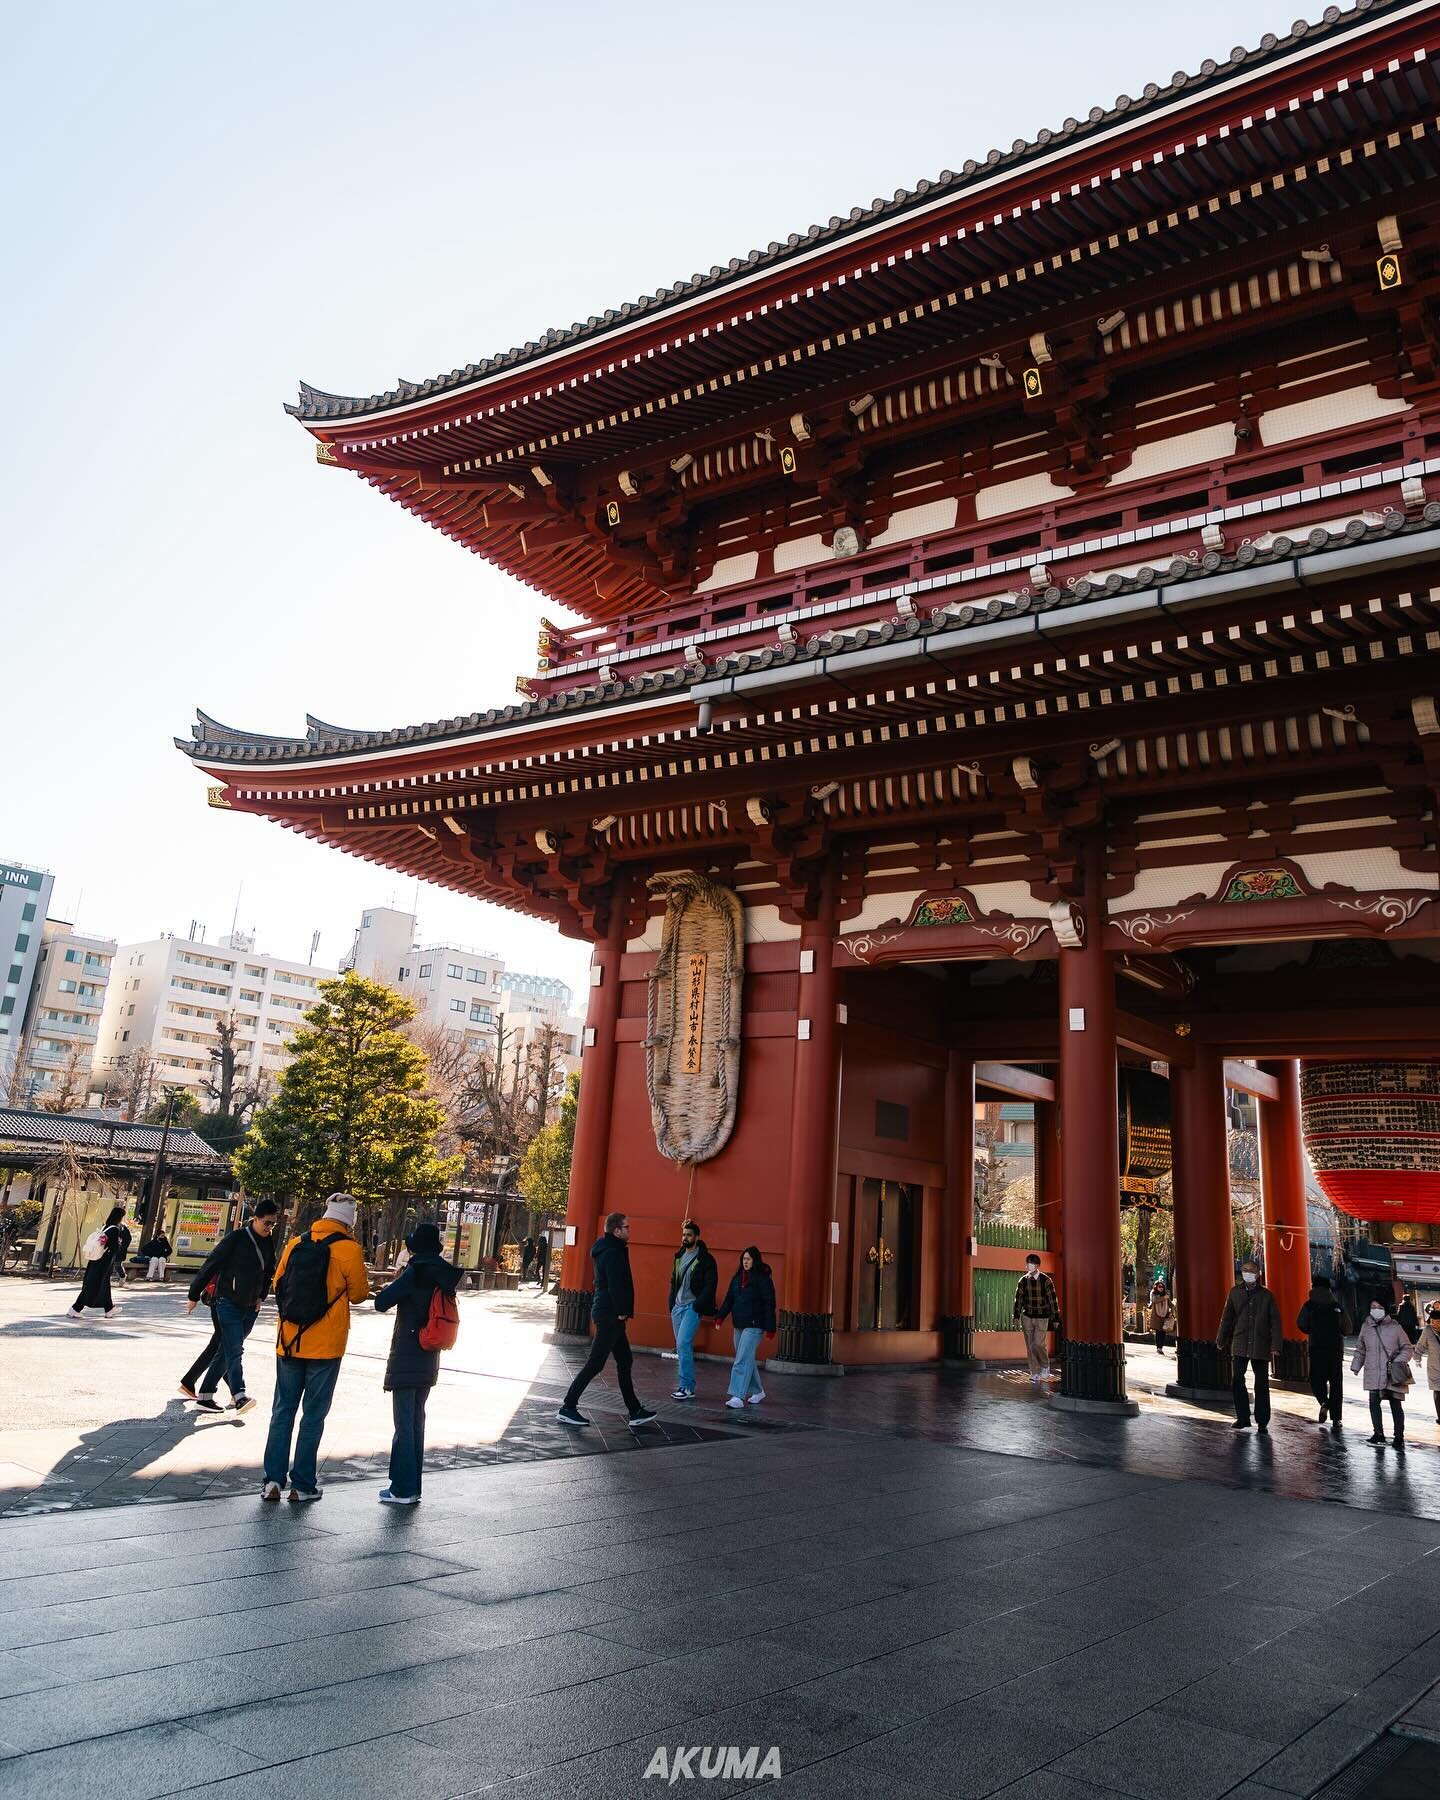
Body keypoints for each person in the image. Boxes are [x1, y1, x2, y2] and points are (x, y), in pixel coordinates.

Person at [260, 1193, 371, 1502]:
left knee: (282, 1410)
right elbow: (360, 1294)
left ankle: (272, 1481)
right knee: (313, 1415)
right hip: (326, 1343)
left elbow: (277, 1284)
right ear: (350, 1220)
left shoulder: (295, 1243)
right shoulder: (349, 1249)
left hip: (289, 1341)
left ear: (325, 1213)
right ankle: (302, 1484)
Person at [373, 1221, 460, 1505]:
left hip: (408, 1353)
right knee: (417, 1420)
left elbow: (382, 1302)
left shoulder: (415, 1272)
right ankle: (413, 1485)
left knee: (404, 1423)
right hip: (429, 1354)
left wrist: (396, 1280)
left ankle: (402, 1488)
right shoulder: (442, 1274)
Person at [556, 1211, 658, 1429]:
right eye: (627, 1227)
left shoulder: (610, 1248)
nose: (630, 1230)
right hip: (610, 1314)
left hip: (610, 1313)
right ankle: (568, 1406)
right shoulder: (612, 1252)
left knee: (625, 1360)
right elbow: (615, 1284)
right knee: (596, 1363)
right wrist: (622, 1311)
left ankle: (635, 1411)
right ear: (617, 1230)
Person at [182, 1200, 280, 1414]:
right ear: (255, 1219)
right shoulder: (236, 1238)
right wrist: (193, 1294)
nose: (269, 1227)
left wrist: (261, 1296)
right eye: (266, 1222)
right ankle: (239, 1396)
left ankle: (205, 1396)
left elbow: (268, 1270)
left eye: (273, 1224)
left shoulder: (268, 1240)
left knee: (226, 1350)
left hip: (251, 1305)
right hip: (227, 1301)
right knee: (235, 1349)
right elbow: (211, 1264)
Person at [1217, 1259, 1282, 1433]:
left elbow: (1275, 1322)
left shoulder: (1267, 1296)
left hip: (1261, 1344)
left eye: (1251, 1270)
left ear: (1258, 1273)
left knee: (1261, 1383)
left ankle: (1262, 1421)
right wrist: (1220, 1338)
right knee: (1237, 1379)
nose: (1247, 1273)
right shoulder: (1234, 1293)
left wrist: (1275, 1345)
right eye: (1245, 1270)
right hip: (1240, 1342)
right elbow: (1227, 1317)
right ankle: (1243, 1417)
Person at [714, 1246, 776, 1408]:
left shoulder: (763, 1279)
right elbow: (729, 1299)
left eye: (748, 1259)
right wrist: (720, 1317)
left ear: (755, 1260)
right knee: (746, 1358)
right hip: (739, 1324)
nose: (745, 1262)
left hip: (755, 1325)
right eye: (744, 1259)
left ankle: (737, 1396)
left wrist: (770, 1327)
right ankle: (758, 1390)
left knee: (741, 1360)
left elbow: (769, 1303)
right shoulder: (737, 1278)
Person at [667, 1218, 718, 1401]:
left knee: (682, 1344)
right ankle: (686, 1385)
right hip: (677, 1308)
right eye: (683, 1234)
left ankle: (687, 1386)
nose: (685, 1238)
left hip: (692, 1307)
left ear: (697, 1237)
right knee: (682, 1347)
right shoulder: (679, 1257)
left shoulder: (706, 1259)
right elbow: (674, 1281)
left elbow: (711, 1285)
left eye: (689, 1235)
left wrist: (697, 1305)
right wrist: (671, 1304)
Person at [1353, 1296, 1413, 1448]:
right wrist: (1356, 1365)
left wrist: (1399, 1360)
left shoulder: (1395, 1327)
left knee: (1395, 1405)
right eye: (1373, 1307)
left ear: (1385, 1309)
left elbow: (1407, 1348)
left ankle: (1399, 1437)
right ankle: (1378, 1433)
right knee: (1374, 1403)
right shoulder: (1366, 1327)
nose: (1376, 1310)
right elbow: (1361, 1348)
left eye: (1379, 1307)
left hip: (1391, 1373)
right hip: (1373, 1371)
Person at [1297, 1272, 1351, 1431]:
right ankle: (1336, 1419)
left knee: (1315, 1380)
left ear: (1313, 1287)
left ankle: (1324, 1402)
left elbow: (1301, 1324)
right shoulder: (1336, 1306)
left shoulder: (1309, 1305)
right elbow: (1347, 1328)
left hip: (1316, 1349)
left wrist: (1312, 1330)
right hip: (1335, 1350)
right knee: (1336, 1385)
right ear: (1329, 1288)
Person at [67, 1205, 132, 1319]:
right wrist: (120, 1242)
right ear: (120, 1217)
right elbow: (114, 1247)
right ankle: (75, 1308)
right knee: (93, 1285)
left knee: (103, 1285)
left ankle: (109, 1309)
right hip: (103, 1263)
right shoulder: (115, 1229)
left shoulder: (105, 1227)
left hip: (96, 1260)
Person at [1012, 1252, 1060, 1384]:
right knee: (1030, 1345)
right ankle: (1034, 1372)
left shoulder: (1046, 1280)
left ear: (1037, 1265)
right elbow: (1018, 1299)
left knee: (1038, 1343)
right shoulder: (1023, 1280)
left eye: (1032, 1263)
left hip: (1042, 1317)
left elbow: (1052, 1300)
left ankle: (1045, 1365)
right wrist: (1016, 1315)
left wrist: (1056, 1317)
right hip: (1027, 1316)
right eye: (1028, 1263)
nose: (1029, 1265)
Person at [1416, 1302, 1440, 1426]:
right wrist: (1417, 1357)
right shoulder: (1428, 1331)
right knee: (1438, 1392)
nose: (1436, 1325)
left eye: (1438, 1323)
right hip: (1434, 1367)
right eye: (1433, 1322)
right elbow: (1420, 1345)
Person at [1147, 1280, 1174, 1355]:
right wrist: (1164, 1297)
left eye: (1162, 1287)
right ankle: (1158, 1348)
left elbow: (1171, 1304)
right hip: (1156, 1316)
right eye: (1159, 1286)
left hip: (1165, 1315)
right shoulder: (1153, 1293)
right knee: (1158, 1332)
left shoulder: (1165, 1295)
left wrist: (1172, 1312)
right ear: (1156, 1287)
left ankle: (1161, 1347)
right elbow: (1155, 1300)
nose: (1161, 1288)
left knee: (1163, 1332)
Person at [535, 1229, 551, 1293]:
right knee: (544, 1271)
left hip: (540, 1259)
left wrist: (536, 1256)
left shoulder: (540, 1245)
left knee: (537, 1269)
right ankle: (543, 1282)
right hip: (546, 1260)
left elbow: (538, 1252)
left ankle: (539, 1279)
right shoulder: (547, 1245)